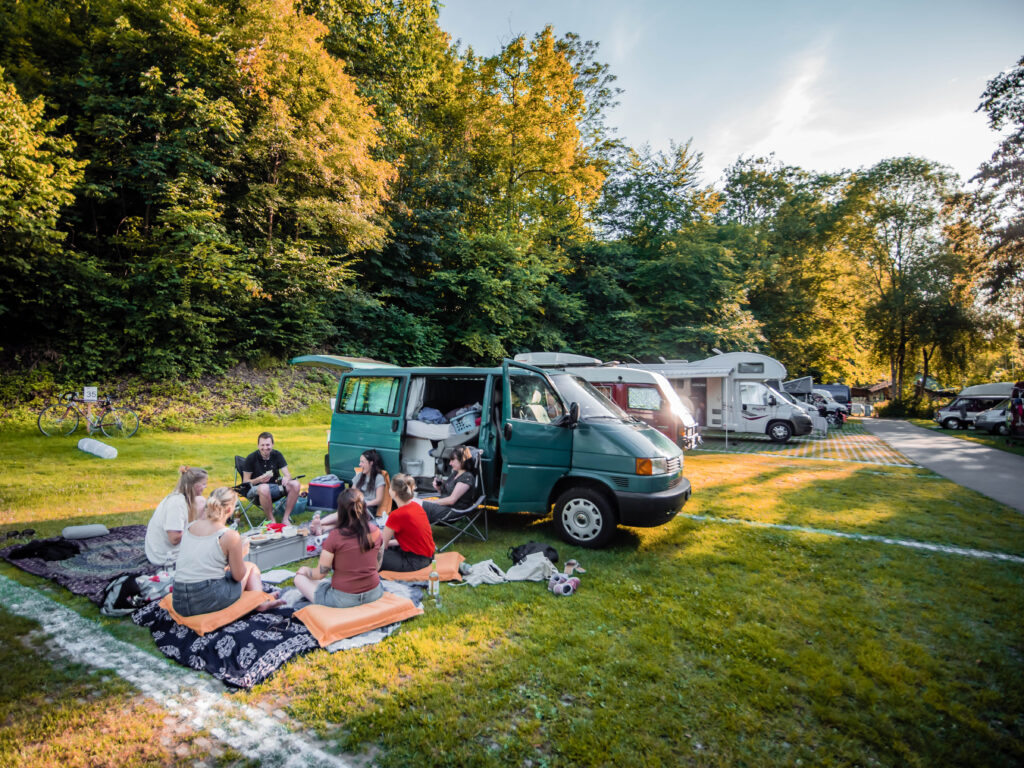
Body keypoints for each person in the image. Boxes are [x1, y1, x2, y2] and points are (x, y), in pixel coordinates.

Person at [171, 487, 283, 616]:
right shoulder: (229, 536)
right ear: (230, 510)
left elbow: (203, 563)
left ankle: (259, 601)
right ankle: (260, 602)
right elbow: (239, 576)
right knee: (251, 567)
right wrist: (242, 553)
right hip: (206, 599)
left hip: (179, 600)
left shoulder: (191, 526)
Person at [293, 489, 384, 608]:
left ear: (340, 511)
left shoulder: (335, 537)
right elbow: (377, 567)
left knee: (299, 578)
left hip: (343, 599)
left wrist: (305, 570)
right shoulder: (377, 532)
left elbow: (320, 574)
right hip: (374, 593)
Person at [144, 466, 208, 567]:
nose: (206, 487)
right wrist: (200, 529)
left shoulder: (180, 498)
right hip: (164, 557)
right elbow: (174, 538)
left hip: (165, 551)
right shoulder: (177, 504)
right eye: (204, 484)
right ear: (194, 485)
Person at [313, 449, 386, 533]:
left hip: (368, 509)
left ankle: (323, 526)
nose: (360, 464)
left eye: (362, 462)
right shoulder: (360, 475)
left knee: (349, 517)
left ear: (371, 463)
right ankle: (320, 524)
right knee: (344, 512)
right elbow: (352, 492)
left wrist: (363, 503)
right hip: (356, 505)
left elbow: (379, 500)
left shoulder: (378, 478)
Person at [379, 473, 435, 572]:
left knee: (370, 554)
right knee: (388, 540)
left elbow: (381, 544)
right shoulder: (416, 506)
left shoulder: (396, 515)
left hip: (414, 562)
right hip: (428, 557)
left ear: (394, 492)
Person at [241, 432, 301, 524]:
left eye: (268, 445)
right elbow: (245, 483)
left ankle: (285, 518)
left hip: (275, 487)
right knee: (264, 487)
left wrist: (286, 478)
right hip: (254, 490)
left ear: (272, 444)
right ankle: (271, 520)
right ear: (258, 445)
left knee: (295, 484)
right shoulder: (251, 458)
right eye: (262, 445)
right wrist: (259, 479)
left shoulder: (277, 455)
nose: (265, 448)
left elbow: (288, 475)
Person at [421, 445, 477, 524]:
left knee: (416, 508)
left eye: (453, 460)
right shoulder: (455, 473)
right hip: (445, 507)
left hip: (453, 512)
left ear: (462, 460)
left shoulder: (467, 477)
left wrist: (430, 503)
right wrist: (439, 488)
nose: (450, 463)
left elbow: (451, 500)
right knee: (414, 506)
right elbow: (446, 494)